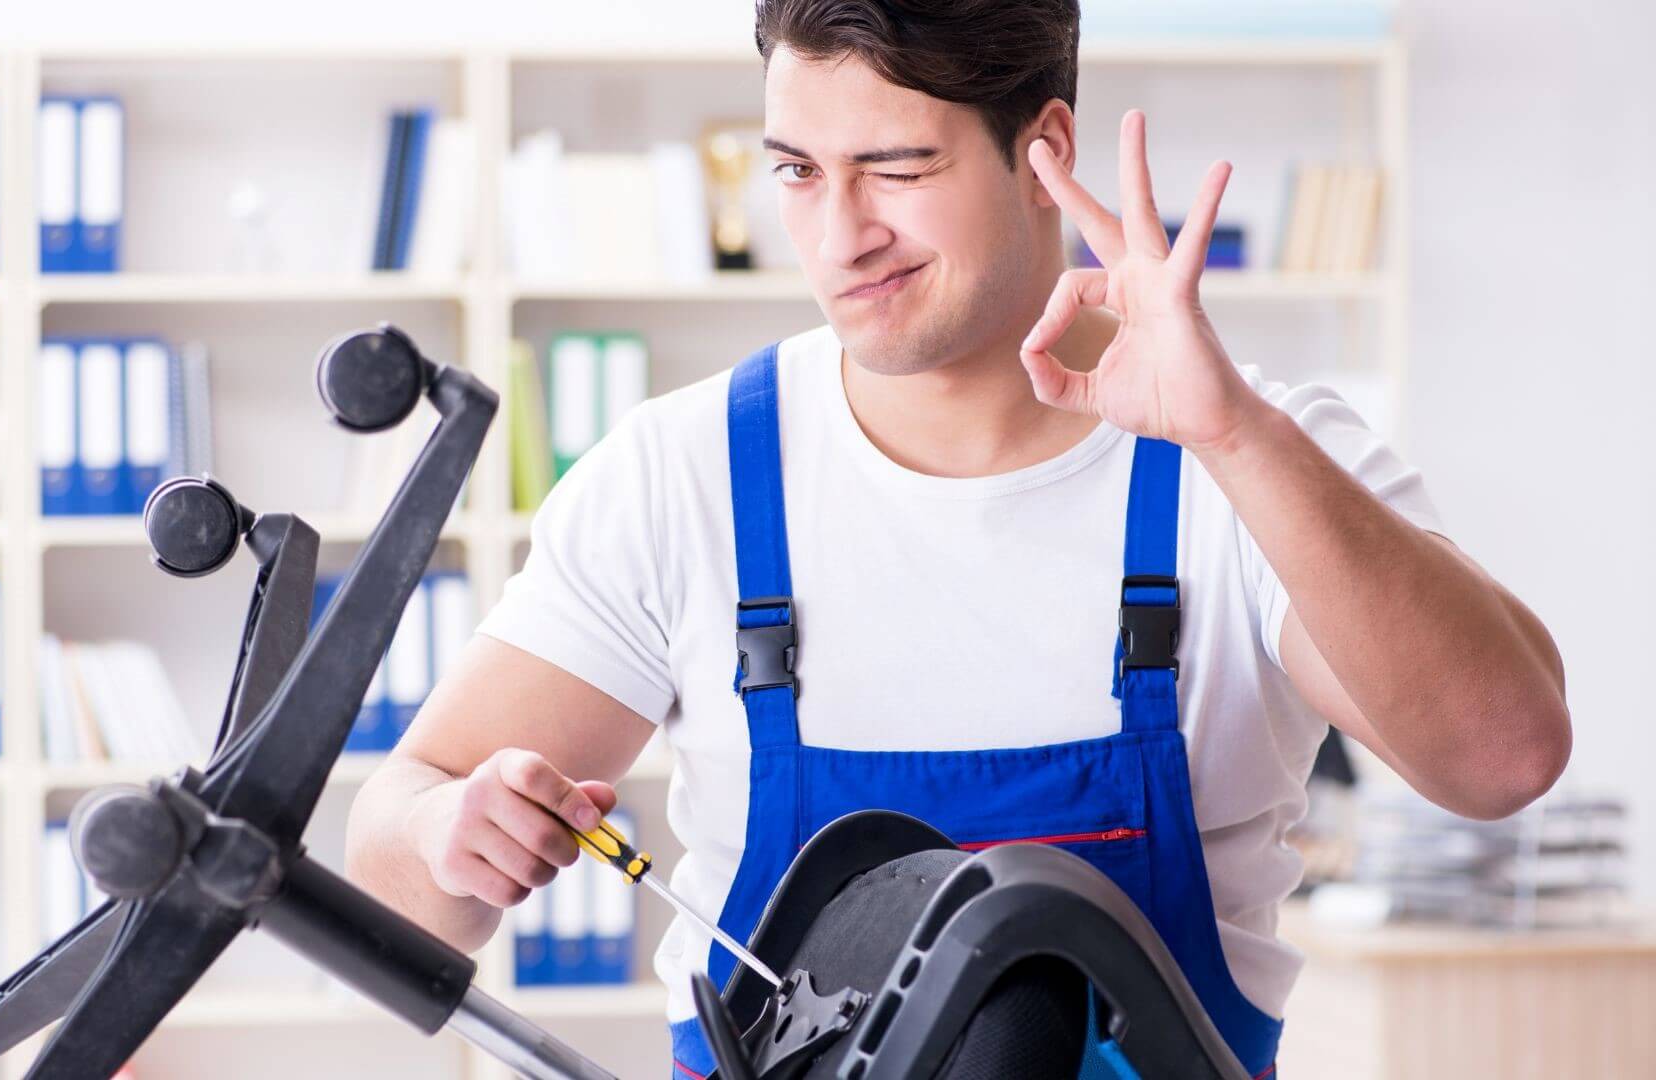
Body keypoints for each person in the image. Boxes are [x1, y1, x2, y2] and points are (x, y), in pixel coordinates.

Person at [346, 2, 1571, 1076]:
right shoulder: (686, 478)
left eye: (893, 168)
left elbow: (1503, 756)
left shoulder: (1249, 460)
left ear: (1046, 154)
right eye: (796, 171)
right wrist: (448, 837)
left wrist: (1237, 439)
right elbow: (395, 856)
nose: (838, 239)